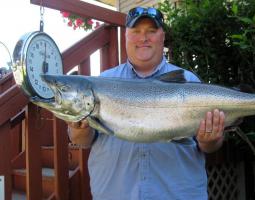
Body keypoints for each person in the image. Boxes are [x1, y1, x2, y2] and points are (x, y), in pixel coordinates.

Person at [68, 7, 225, 200]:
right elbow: (82, 141)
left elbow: (209, 146)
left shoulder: (188, 80)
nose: (144, 38)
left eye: (151, 31)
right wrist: (79, 131)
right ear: (126, 36)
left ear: (162, 36)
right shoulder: (102, 82)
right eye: (136, 31)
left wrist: (210, 140)